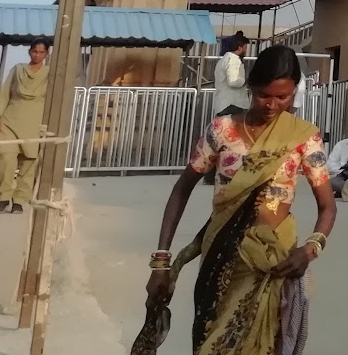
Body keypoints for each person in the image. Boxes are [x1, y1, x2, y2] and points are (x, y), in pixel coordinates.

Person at [141, 44, 336, 355]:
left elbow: (327, 206)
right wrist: (161, 261)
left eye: (283, 97)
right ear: (250, 87)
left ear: (294, 92)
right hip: (220, 258)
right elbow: (181, 189)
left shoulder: (303, 137)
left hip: (274, 262)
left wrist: (311, 248)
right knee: (211, 341)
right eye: (264, 95)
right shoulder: (222, 131)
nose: (272, 105)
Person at [0, 39, 49, 215]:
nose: (37, 55)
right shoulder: (18, 69)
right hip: (11, 118)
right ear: (29, 52)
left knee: (29, 163)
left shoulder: (50, 73)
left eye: (41, 52)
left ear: (46, 54)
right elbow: (4, 94)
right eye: (34, 51)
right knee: (5, 159)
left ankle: (19, 200)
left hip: (35, 120)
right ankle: (3, 198)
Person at [213, 35, 250, 117]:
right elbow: (233, 82)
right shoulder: (233, 60)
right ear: (239, 48)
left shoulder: (224, 60)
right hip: (233, 104)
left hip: (224, 104)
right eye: (245, 47)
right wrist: (247, 81)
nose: (246, 50)